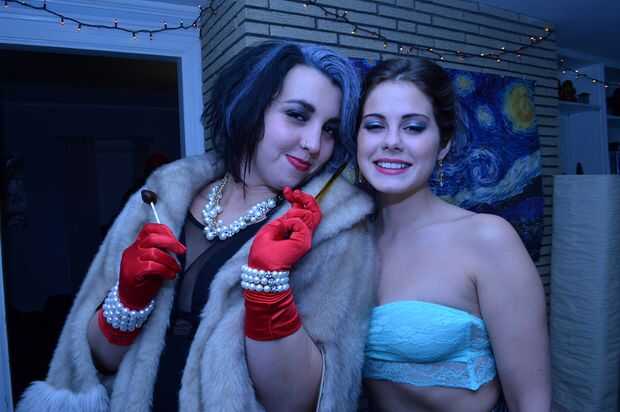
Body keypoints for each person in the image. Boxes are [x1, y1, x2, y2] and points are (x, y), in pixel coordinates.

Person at [16, 41, 377, 412]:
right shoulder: (160, 197)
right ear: (251, 107)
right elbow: (96, 362)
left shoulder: (336, 230)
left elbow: (300, 402)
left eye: (330, 130)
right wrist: (126, 300)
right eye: (298, 115)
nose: (315, 144)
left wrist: (269, 292)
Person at [356, 58, 551, 412]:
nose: (391, 142)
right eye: (374, 126)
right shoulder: (351, 243)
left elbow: (531, 400)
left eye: (413, 127)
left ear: (443, 143)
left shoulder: (488, 239)